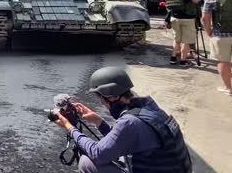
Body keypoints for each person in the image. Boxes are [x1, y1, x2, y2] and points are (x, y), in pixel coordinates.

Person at [52, 67, 192, 173]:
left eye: (101, 98)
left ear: (112, 97)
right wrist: (98, 121)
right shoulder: (149, 107)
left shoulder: (130, 122)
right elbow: (123, 138)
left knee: (86, 162)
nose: (101, 103)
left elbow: (98, 154)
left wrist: (69, 127)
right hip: (175, 168)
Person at [162, 0, 202, 66]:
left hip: (174, 17)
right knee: (186, 41)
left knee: (177, 39)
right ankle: (183, 61)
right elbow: (195, 1)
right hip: (188, 18)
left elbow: (166, 2)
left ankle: (173, 57)